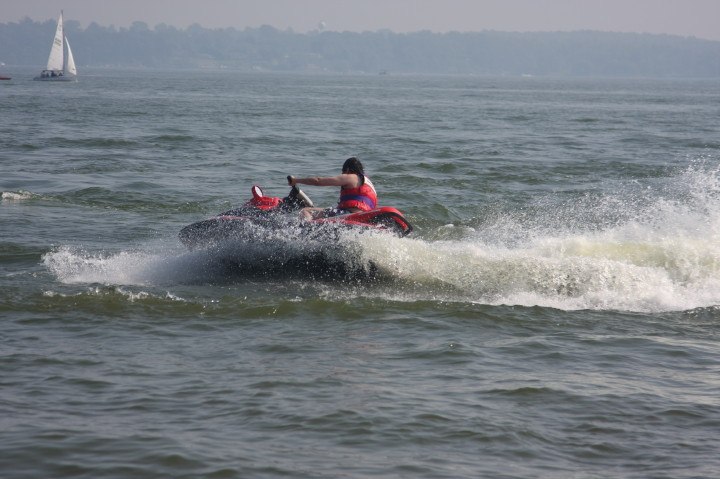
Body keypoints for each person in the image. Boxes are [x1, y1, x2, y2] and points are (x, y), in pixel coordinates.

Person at [287, 157, 378, 220]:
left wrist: (296, 180)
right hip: (364, 216)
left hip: (349, 214)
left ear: (347, 170)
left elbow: (318, 181)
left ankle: (306, 233)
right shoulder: (369, 184)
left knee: (306, 211)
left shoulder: (351, 177)